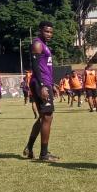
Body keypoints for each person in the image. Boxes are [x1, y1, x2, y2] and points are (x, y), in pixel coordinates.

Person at [22, 21, 59, 162]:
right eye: (46, 31)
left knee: (43, 117)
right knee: (47, 117)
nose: (49, 34)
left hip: (45, 82)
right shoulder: (37, 44)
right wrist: (43, 85)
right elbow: (35, 67)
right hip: (40, 83)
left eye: (51, 32)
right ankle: (44, 154)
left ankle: (29, 147)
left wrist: (52, 84)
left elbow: (46, 67)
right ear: (40, 31)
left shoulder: (45, 46)